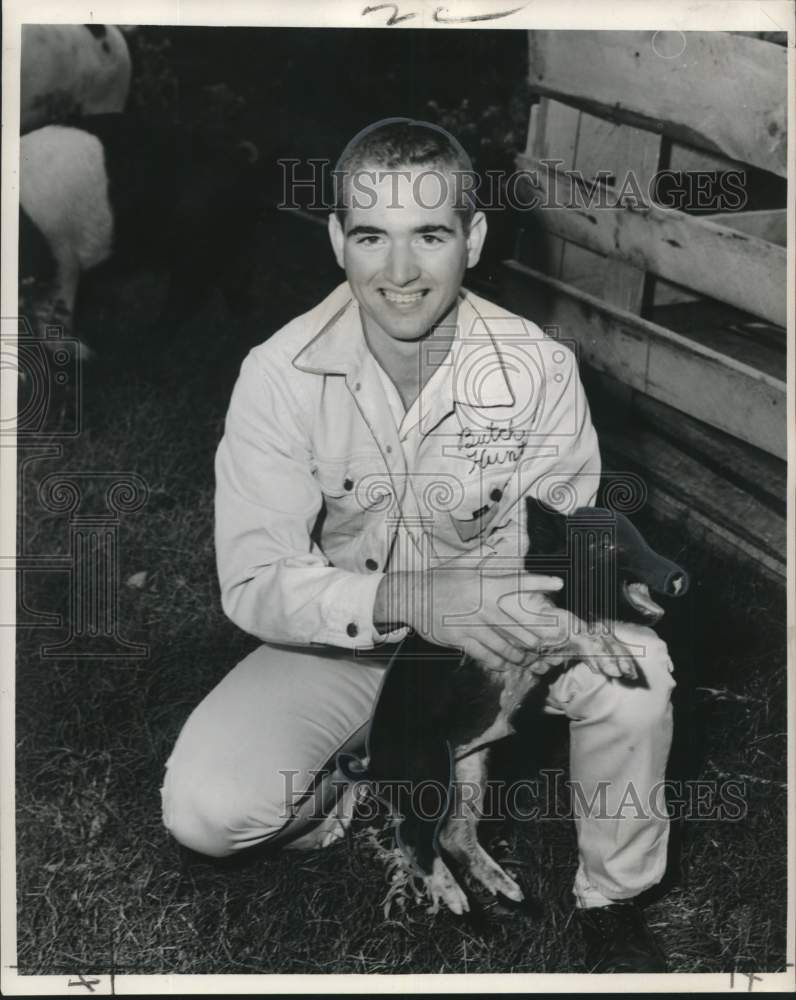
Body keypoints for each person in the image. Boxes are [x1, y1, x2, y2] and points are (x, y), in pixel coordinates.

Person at [161, 118, 675, 972]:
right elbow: (254, 583)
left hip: (496, 630)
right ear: (337, 240)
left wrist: (597, 593)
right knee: (207, 814)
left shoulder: (536, 367)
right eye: (372, 237)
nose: (399, 274)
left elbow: (570, 545)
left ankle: (615, 898)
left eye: (429, 236)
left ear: (471, 238)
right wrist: (413, 599)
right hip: (349, 642)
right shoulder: (279, 373)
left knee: (638, 676)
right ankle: (357, 789)